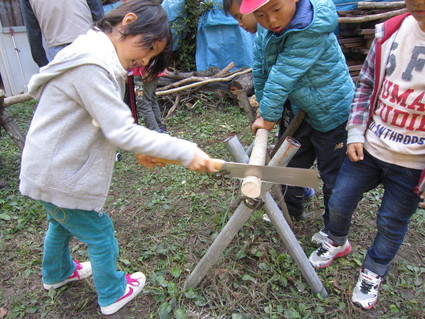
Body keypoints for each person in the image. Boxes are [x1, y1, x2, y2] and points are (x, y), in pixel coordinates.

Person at [19, 1, 217, 315]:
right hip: (56, 173)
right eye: (148, 47)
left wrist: (141, 147)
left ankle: (56, 273)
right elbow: (119, 129)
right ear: (127, 22)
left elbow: (102, 121)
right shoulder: (91, 64)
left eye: (152, 55)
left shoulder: (92, 54)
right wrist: (186, 151)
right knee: (99, 233)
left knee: (61, 223)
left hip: (49, 170)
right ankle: (112, 291)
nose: (145, 58)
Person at [309, 1, 425, 309]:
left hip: (413, 164)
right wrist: (356, 132)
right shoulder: (390, 32)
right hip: (371, 147)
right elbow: (366, 87)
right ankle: (336, 239)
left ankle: (373, 271)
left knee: (391, 222)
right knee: (339, 198)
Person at [239, 0, 354, 233]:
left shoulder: (310, 28)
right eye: (260, 15)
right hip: (301, 108)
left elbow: (283, 75)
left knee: (333, 176)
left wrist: (270, 116)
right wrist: (263, 103)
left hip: (332, 112)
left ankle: (334, 233)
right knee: (291, 163)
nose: (271, 20)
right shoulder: (268, 27)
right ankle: (289, 209)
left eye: (277, 9)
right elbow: (261, 67)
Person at [20, 0, 104, 67]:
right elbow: (97, 13)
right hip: (87, 42)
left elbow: (32, 30)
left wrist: (44, 65)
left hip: (57, 49)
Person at [130, 66, 167, 132]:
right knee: (151, 101)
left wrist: (144, 70)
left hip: (143, 73)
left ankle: (155, 133)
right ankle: (159, 129)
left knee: (143, 104)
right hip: (153, 71)